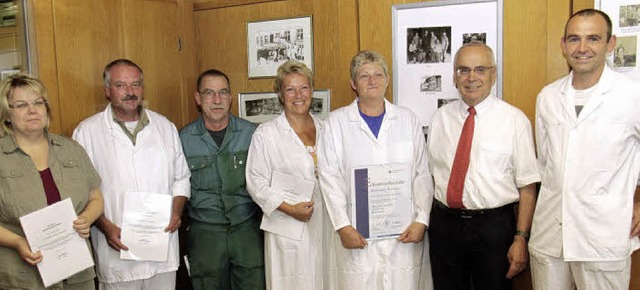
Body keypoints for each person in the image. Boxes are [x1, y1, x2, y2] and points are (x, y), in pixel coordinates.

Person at [530, 9, 640, 290]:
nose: (582, 48)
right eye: (574, 39)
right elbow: (546, 163)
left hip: (601, 235)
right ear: (563, 45)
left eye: (593, 38)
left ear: (610, 43)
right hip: (550, 234)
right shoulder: (548, 97)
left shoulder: (631, 96)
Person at [427, 41, 540, 290]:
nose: (471, 77)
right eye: (463, 70)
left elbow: (528, 186)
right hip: (445, 226)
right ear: (454, 77)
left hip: (493, 228)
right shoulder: (440, 119)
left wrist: (521, 238)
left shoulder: (514, 120)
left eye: (480, 69)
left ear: (493, 74)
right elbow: (431, 176)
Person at [317, 50, 434, 289]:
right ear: (353, 84)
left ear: (387, 80)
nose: (373, 81)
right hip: (357, 232)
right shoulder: (336, 123)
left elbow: (422, 173)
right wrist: (343, 225)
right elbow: (330, 178)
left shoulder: (407, 119)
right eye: (364, 76)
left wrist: (421, 219)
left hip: (403, 230)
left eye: (378, 75)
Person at [73, 59, 191, 289]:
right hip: (117, 250)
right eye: (121, 85)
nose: (130, 92)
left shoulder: (164, 127)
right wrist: (106, 227)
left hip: (161, 248)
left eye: (136, 84)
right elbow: (82, 192)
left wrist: (177, 212)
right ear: (107, 90)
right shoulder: (86, 132)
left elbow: (181, 177)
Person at [0, 74, 104, 289]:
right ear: (7, 115)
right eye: (21, 105)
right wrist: (18, 242)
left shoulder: (71, 149)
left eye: (38, 102)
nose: (32, 110)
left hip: (77, 272)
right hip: (23, 276)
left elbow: (95, 196)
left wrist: (86, 218)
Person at [246, 60, 329, 289]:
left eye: (304, 87)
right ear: (280, 94)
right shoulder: (267, 134)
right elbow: (256, 183)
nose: (298, 95)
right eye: (290, 89)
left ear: (312, 90)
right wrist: (289, 209)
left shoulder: (326, 129)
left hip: (323, 223)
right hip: (286, 225)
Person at [179, 69, 264, 290]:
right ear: (198, 98)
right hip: (206, 234)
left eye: (223, 93)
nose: (217, 100)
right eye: (209, 93)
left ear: (230, 97)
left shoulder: (252, 134)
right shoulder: (182, 139)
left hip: (246, 230)